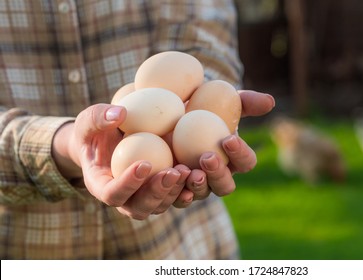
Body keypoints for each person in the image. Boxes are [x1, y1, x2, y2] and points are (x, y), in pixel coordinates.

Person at [0, 0, 275, 259]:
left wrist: (209, 102)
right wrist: (66, 143)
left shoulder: (163, 109)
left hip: (178, 250)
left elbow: (205, 39)